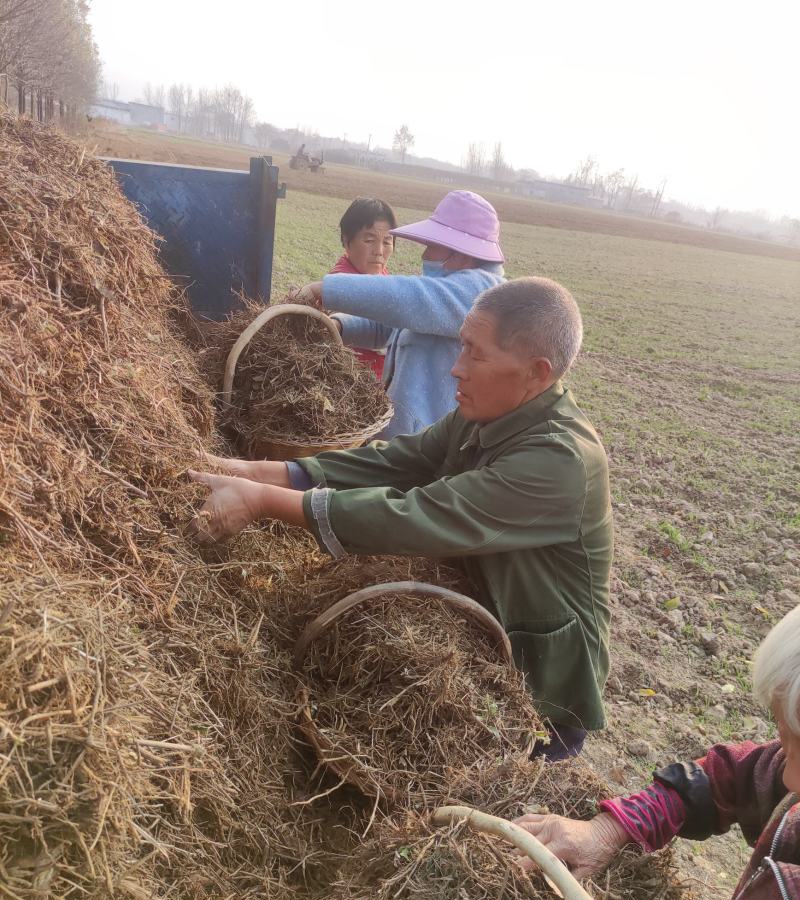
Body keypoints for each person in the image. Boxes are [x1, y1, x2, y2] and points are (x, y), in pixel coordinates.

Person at [187, 278, 613, 759]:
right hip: (483, 635)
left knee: (500, 802)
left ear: (536, 372)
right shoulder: (489, 412)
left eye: (476, 354)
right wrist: (269, 472)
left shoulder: (559, 461)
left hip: (540, 685)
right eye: (461, 348)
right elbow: (397, 460)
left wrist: (263, 502)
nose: (456, 368)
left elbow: (418, 516)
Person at [514, 603, 800, 900]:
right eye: (785, 738)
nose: (787, 777)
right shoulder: (792, 785)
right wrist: (610, 828)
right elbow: (729, 777)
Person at [297, 189, 505, 438]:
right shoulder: (446, 292)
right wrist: (339, 326)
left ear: (460, 253)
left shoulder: (483, 294)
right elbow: (390, 327)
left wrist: (324, 289)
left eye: (432, 246)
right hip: (403, 444)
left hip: (431, 446)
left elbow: (410, 298)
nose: (424, 255)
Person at [326, 197, 397, 378]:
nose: (379, 251)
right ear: (347, 241)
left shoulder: (381, 276)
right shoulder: (339, 287)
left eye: (387, 242)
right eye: (369, 240)